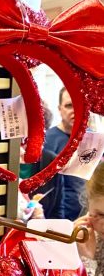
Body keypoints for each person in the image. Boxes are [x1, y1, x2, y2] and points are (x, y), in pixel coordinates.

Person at [44, 88, 86, 221]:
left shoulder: (94, 140)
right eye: (69, 105)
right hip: (58, 220)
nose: (75, 110)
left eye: (79, 105)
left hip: (90, 219)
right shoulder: (47, 141)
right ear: (59, 109)